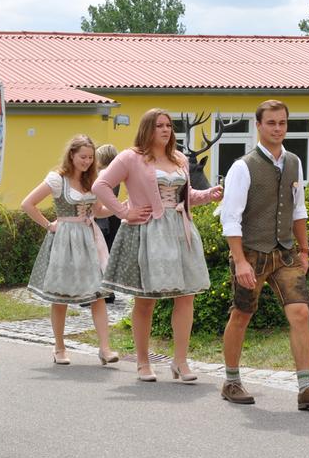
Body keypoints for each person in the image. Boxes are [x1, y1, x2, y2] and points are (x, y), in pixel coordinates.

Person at [219, 100, 309, 410]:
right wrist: (240, 260)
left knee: (301, 312)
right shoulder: (242, 166)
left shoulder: (295, 161)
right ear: (258, 126)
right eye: (271, 123)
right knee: (241, 315)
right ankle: (231, 381)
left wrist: (305, 250)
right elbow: (230, 218)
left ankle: (306, 389)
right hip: (252, 254)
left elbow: (299, 209)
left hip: (285, 253)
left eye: (282, 122)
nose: (278, 128)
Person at [92, 109, 223, 382]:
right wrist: (123, 211)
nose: (165, 130)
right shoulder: (130, 157)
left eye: (168, 125)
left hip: (179, 231)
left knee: (186, 296)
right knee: (146, 299)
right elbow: (100, 185)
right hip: (148, 232)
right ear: (147, 129)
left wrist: (209, 195)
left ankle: (180, 362)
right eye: (159, 125)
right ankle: (142, 362)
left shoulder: (179, 159)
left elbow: (186, 197)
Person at [22, 134, 119, 366]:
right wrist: (49, 225)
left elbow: (98, 211)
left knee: (98, 293)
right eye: (83, 157)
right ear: (72, 155)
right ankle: (59, 347)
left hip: (88, 238)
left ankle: (104, 348)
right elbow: (27, 203)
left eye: (90, 157)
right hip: (65, 239)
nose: (86, 161)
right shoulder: (57, 179)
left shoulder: (92, 181)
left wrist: (120, 208)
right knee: (61, 295)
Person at [94, 144, 119, 305]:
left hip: (101, 217)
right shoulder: (117, 174)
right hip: (113, 216)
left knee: (98, 256)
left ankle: (99, 291)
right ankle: (108, 291)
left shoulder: (102, 174)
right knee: (107, 256)